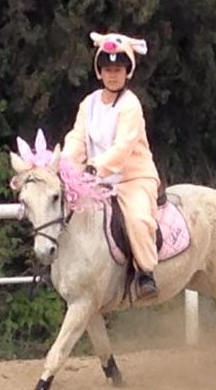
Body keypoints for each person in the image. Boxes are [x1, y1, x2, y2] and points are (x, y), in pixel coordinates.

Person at [62, 31, 160, 299]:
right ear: (99, 72)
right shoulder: (88, 103)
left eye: (118, 69)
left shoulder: (131, 105)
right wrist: (65, 164)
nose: (112, 75)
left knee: (138, 218)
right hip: (97, 183)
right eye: (107, 69)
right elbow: (78, 137)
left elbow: (123, 147)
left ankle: (146, 273)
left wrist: (95, 167)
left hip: (133, 180)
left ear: (127, 72)